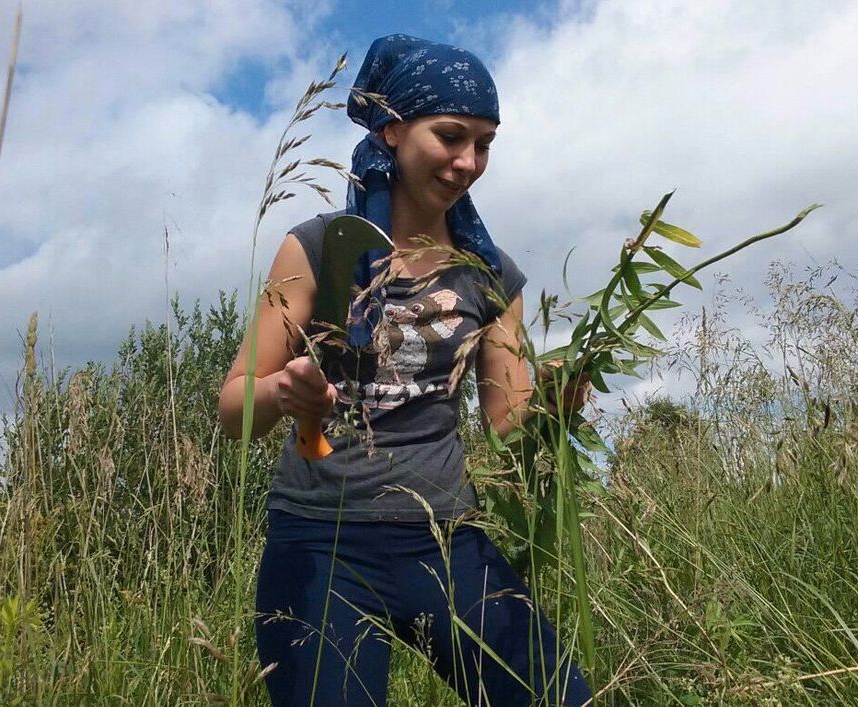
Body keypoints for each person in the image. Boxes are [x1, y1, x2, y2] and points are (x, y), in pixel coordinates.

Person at [218, 34, 592, 706]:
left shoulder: (490, 274)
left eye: (484, 143)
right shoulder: (319, 247)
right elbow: (232, 407)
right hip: (319, 542)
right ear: (393, 130)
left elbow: (510, 421)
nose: (467, 161)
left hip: (448, 539)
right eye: (450, 136)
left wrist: (561, 400)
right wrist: (283, 389)